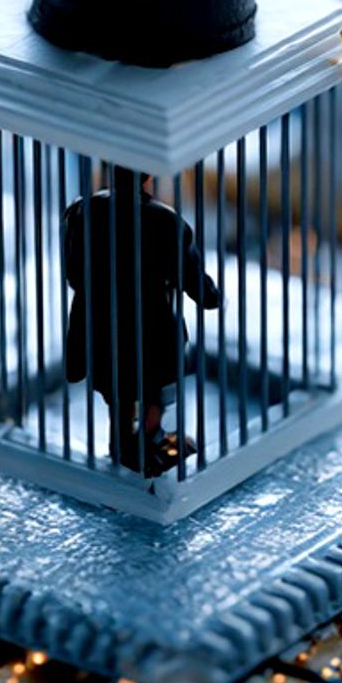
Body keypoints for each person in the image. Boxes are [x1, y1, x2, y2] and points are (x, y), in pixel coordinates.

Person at [62, 168, 221, 476]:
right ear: (149, 176)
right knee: (151, 387)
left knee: (116, 385)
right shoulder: (166, 220)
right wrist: (212, 297)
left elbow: (73, 273)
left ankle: (122, 441)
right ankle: (147, 443)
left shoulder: (83, 209)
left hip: (100, 319)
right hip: (151, 322)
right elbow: (190, 275)